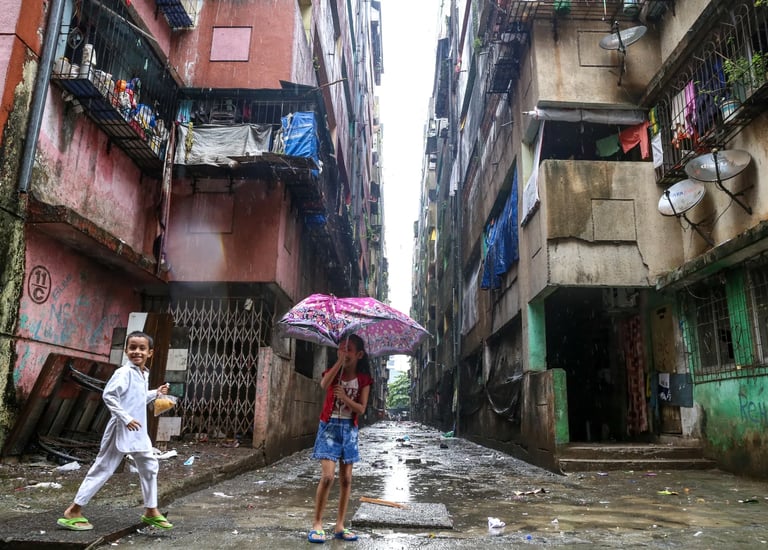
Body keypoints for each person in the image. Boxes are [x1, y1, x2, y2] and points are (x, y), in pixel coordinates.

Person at [57, 331, 174, 531]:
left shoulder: (142, 373)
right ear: (126, 351)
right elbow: (109, 396)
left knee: (149, 465)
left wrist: (156, 393)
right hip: (120, 428)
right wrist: (126, 418)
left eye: (142, 348)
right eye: (133, 348)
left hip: (137, 430)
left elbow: (136, 398)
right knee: (103, 468)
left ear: (150, 352)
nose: (137, 352)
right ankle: (73, 510)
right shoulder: (124, 373)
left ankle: (151, 510)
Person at [308, 334, 373, 543]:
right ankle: (317, 523)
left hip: (349, 429)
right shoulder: (333, 373)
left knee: (346, 479)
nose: (344, 352)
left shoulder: (364, 380)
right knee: (328, 477)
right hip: (329, 427)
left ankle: (339, 525)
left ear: (359, 355)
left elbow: (361, 409)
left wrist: (345, 398)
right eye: (341, 348)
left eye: (349, 349)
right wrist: (339, 362)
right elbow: (323, 384)